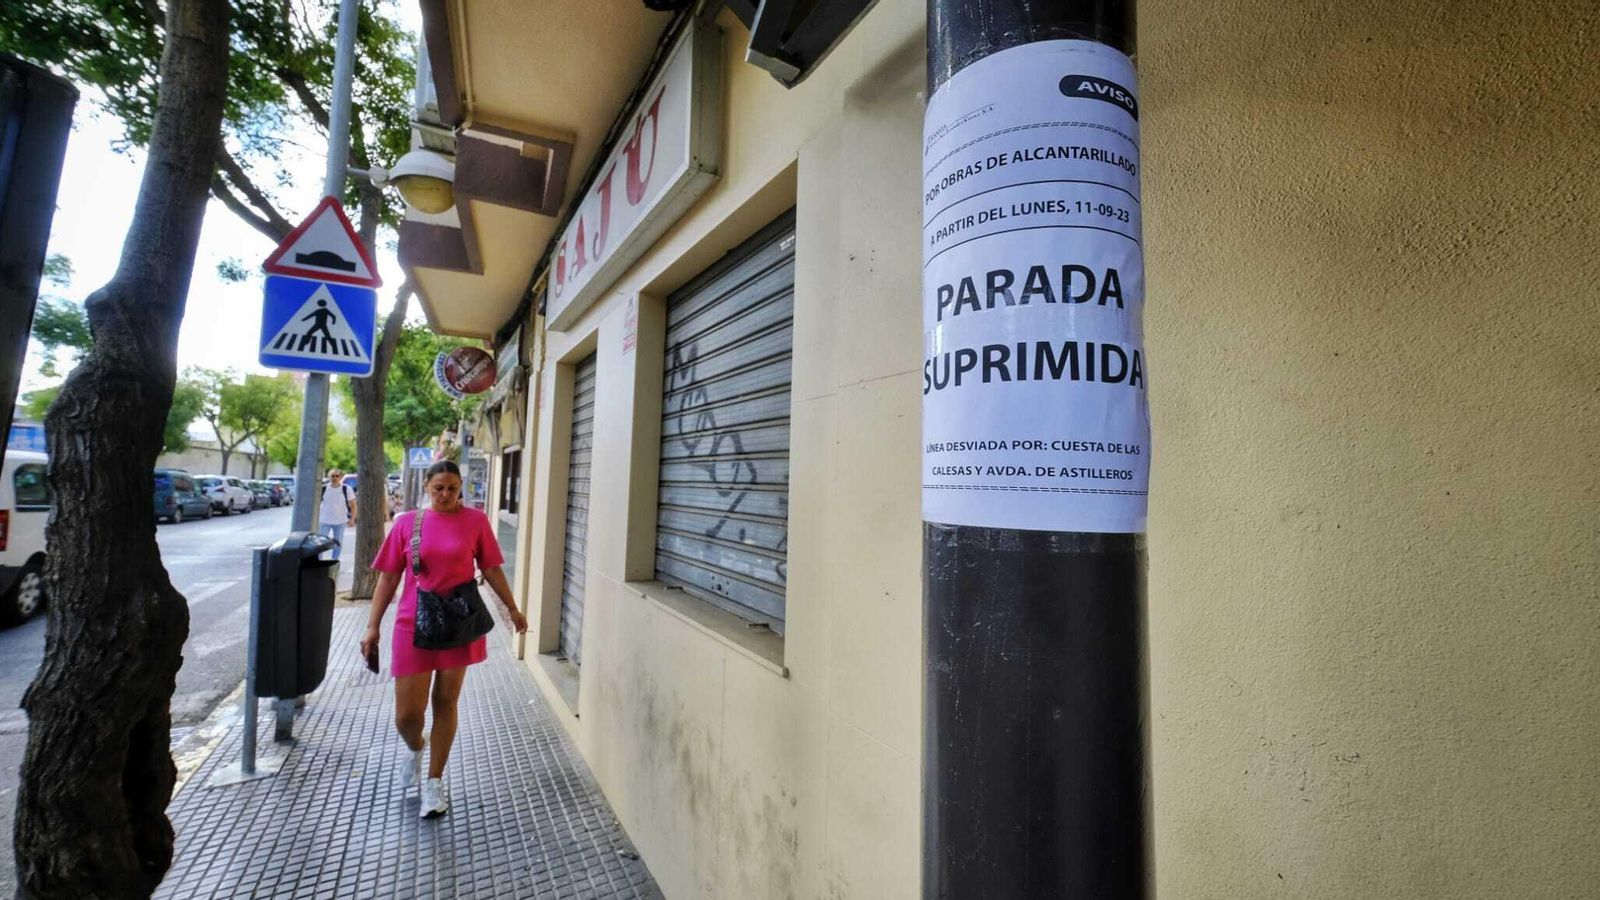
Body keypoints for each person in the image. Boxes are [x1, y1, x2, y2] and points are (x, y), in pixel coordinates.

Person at [359, 459, 528, 818]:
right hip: (412, 626)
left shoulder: (475, 521)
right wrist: (372, 626)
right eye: (439, 488)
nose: (446, 495)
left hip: (459, 624)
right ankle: (416, 746)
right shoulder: (407, 524)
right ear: (427, 488)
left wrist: (512, 609)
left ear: (460, 488)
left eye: (453, 488)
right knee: (406, 716)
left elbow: (492, 567)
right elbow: (388, 578)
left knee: (446, 702)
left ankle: (434, 783)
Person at [318, 469, 356, 560]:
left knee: (338, 542)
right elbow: (316, 505)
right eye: (332, 476)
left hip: (340, 521)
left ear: (341, 477)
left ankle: (334, 561)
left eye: (337, 476)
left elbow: (353, 505)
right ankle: (319, 561)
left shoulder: (346, 489)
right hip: (324, 520)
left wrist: (352, 519)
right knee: (320, 543)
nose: (334, 478)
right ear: (329, 477)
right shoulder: (324, 488)